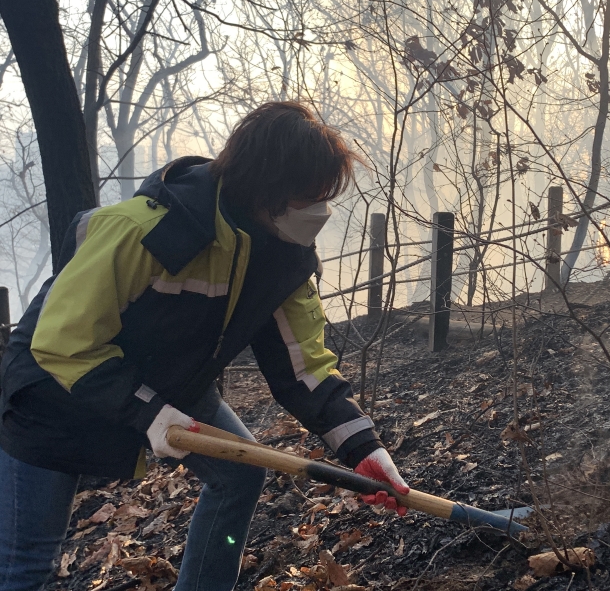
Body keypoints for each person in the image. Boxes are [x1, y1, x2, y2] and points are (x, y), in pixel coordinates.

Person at [0, 101, 409, 591]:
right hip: (52, 397)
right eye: (307, 196)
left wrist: (364, 449)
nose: (318, 211)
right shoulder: (145, 231)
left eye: (324, 196)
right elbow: (64, 341)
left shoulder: (287, 257)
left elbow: (305, 369)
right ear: (264, 187)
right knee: (26, 565)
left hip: (177, 385)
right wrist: (147, 412)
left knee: (238, 475)